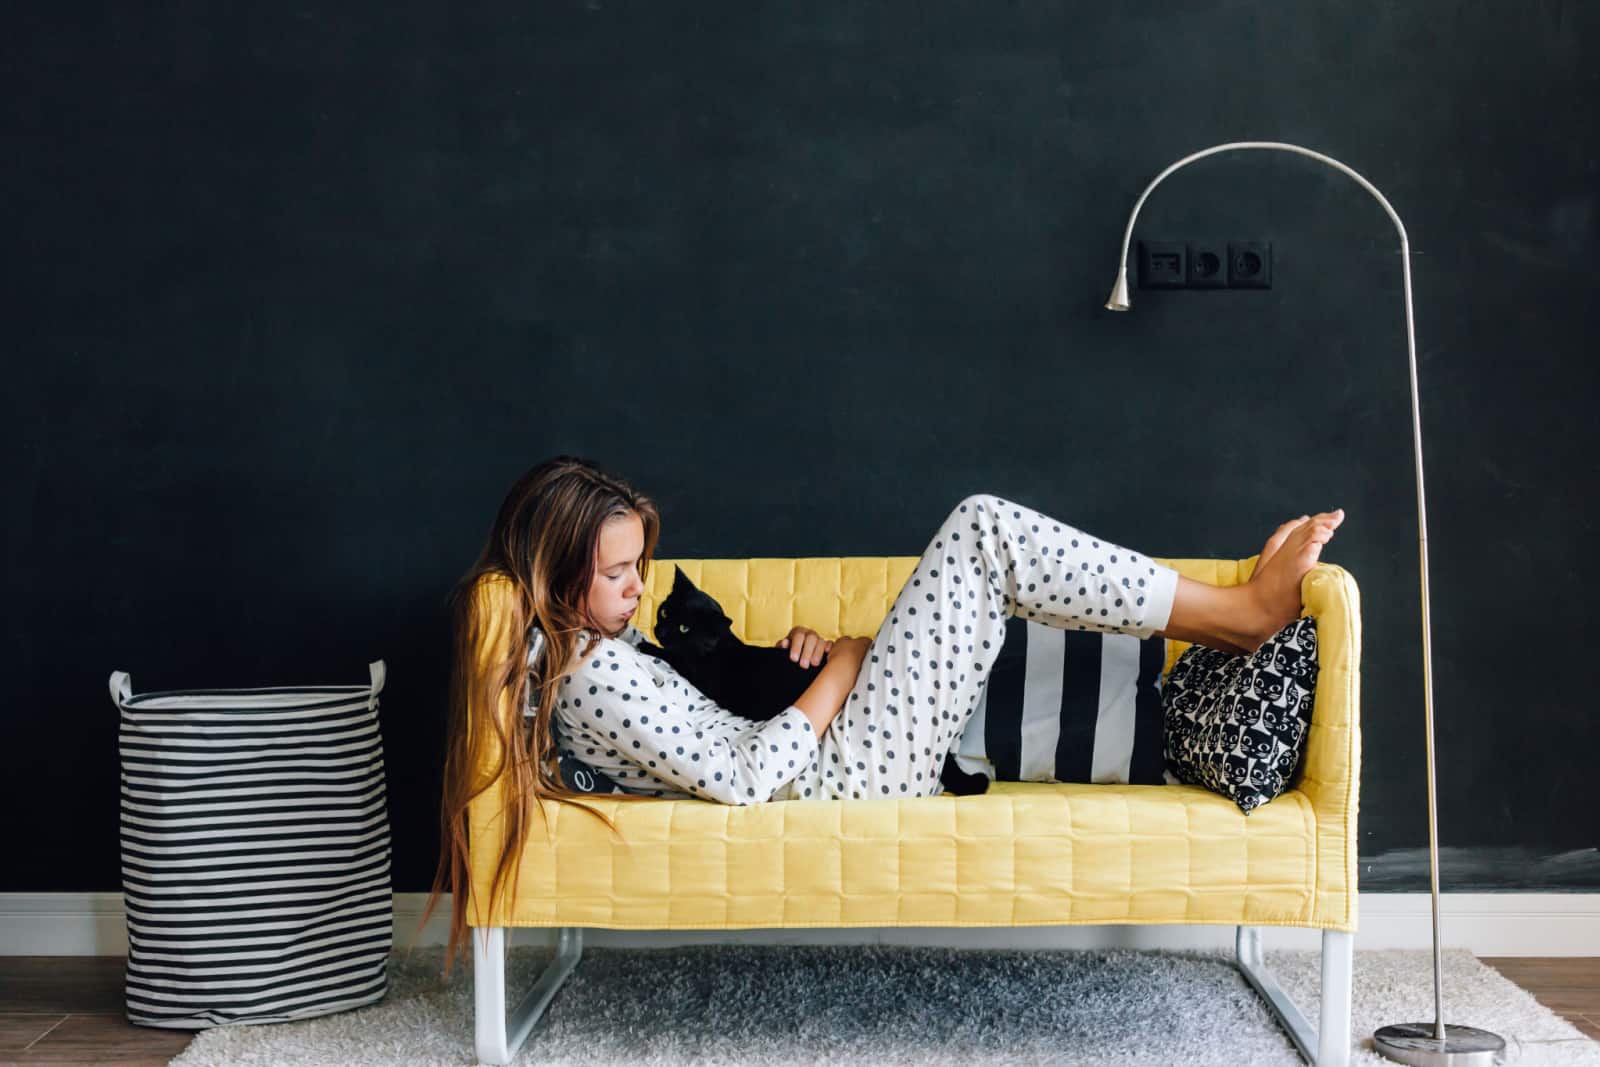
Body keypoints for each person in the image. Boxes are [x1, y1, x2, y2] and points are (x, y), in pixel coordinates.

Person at [423, 454, 1343, 970]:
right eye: (617, 572)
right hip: (839, 779)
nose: (637, 587)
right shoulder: (587, 675)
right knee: (984, 529)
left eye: (637, 565)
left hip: (836, 751)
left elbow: (713, 730)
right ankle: (1238, 616)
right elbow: (743, 775)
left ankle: (1229, 622)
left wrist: (807, 664)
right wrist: (847, 670)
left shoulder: (589, 653)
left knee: (985, 548)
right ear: (550, 573)